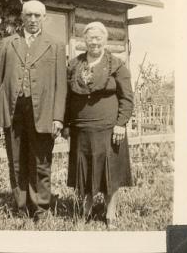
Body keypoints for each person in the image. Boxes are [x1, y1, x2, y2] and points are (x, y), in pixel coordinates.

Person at [0, 0, 67, 220]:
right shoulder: (8, 43)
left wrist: (58, 118)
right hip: (13, 111)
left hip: (43, 112)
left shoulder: (56, 45)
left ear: (44, 18)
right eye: (29, 15)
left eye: (37, 16)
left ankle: (41, 208)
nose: (33, 20)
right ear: (22, 17)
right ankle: (21, 207)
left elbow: (61, 85)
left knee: (41, 162)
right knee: (16, 161)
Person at [63, 21, 134, 229]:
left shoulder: (117, 64)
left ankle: (110, 212)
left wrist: (121, 123)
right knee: (84, 171)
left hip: (109, 129)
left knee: (110, 170)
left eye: (98, 37)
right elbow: (67, 97)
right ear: (84, 40)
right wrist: (66, 124)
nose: (94, 42)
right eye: (90, 38)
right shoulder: (74, 64)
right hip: (81, 129)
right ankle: (86, 208)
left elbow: (127, 98)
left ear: (105, 39)